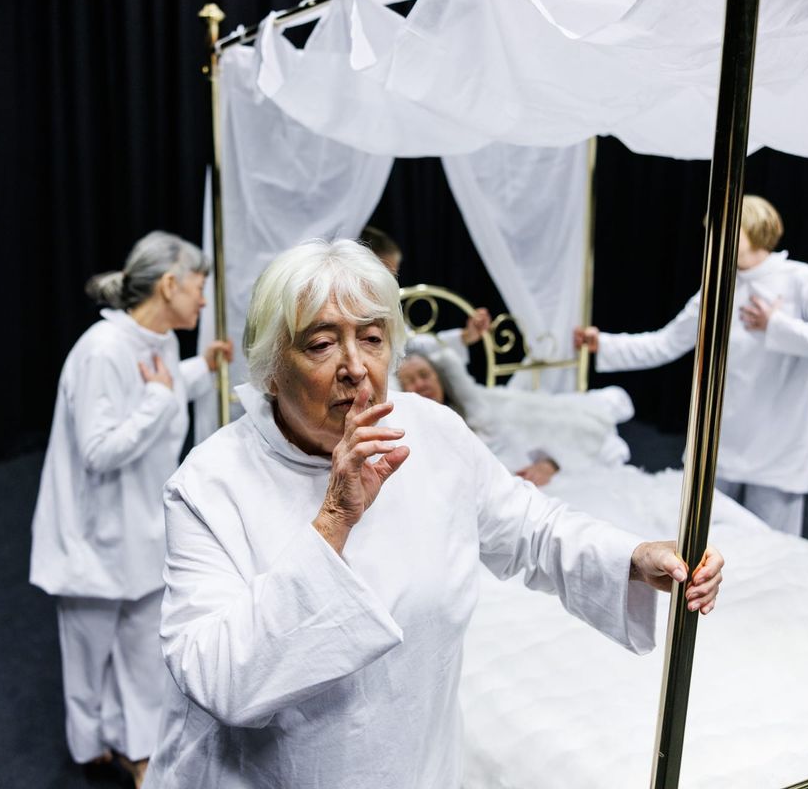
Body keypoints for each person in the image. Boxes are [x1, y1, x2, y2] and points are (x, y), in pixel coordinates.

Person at [142, 239, 723, 788]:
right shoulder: (209, 484)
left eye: (371, 338)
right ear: (269, 366)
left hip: (414, 761)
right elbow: (216, 677)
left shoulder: (431, 430)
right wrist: (335, 519)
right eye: (320, 343)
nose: (354, 366)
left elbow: (530, 528)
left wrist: (632, 557)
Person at [29, 231, 234, 786]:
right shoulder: (102, 350)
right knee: (88, 651)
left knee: (144, 650)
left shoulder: (161, 342)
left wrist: (196, 372)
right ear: (169, 285)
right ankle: (89, 743)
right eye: (198, 287)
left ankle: (138, 748)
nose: (203, 301)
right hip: (93, 537)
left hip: (143, 527)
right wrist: (163, 397)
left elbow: (161, 393)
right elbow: (100, 450)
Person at [574, 196, 808, 536]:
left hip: (778, 443)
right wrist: (605, 343)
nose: (716, 235)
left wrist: (776, 326)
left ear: (754, 227)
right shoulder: (716, 286)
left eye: (728, 227)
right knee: (708, 545)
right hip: (721, 442)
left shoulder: (801, 279)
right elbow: (667, 343)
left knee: (774, 552)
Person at [396, 347, 633, 486]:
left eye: (425, 375)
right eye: (409, 381)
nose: (420, 384)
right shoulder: (409, 435)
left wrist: (549, 464)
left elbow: (525, 441)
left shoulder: (480, 412)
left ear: (440, 378)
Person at [361, 224, 492, 364]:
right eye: (385, 273)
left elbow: (412, 346)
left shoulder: (386, 311)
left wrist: (465, 336)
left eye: (393, 276)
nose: (391, 283)